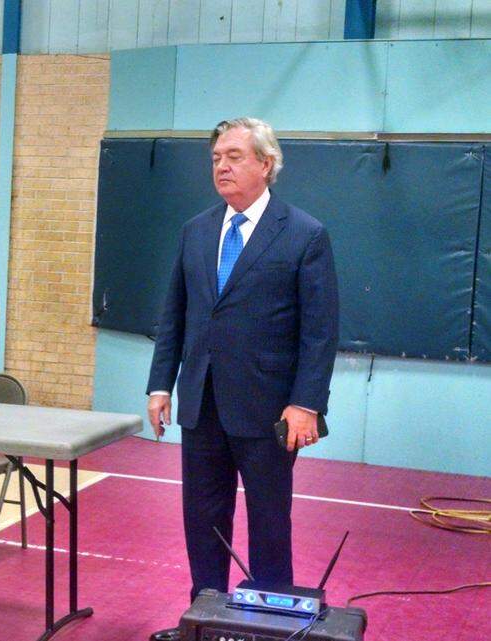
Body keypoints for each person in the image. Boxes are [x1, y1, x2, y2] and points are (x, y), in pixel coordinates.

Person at [145, 118, 339, 641]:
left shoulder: (304, 233)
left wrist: (306, 404)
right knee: (203, 520)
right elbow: (175, 317)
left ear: (265, 164)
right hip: (202, 403)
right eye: (215, 159)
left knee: (269, 523)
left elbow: (320, 333)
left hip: (269, 409)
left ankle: (271, 626)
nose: (222, 166)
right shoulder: (197, 230)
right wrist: (160, 384)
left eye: (233, 156)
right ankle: (205, 618)